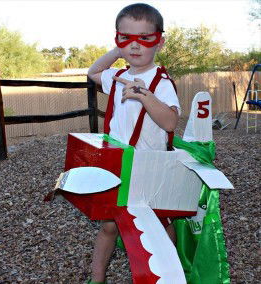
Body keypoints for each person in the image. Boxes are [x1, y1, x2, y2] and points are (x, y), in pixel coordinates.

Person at [87, 3, 181, 283]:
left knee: (161, 225)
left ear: (160, 42)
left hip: (151, 165)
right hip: (118, 163)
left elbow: (170, 123)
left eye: (144, 38)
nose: (135, 46)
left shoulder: (161, 81)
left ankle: (168, 274)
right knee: (108, 226)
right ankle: (97, 277)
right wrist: (117, 52)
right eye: (126, 38)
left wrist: (145, 95)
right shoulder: (118, 77)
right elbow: (93, 73)